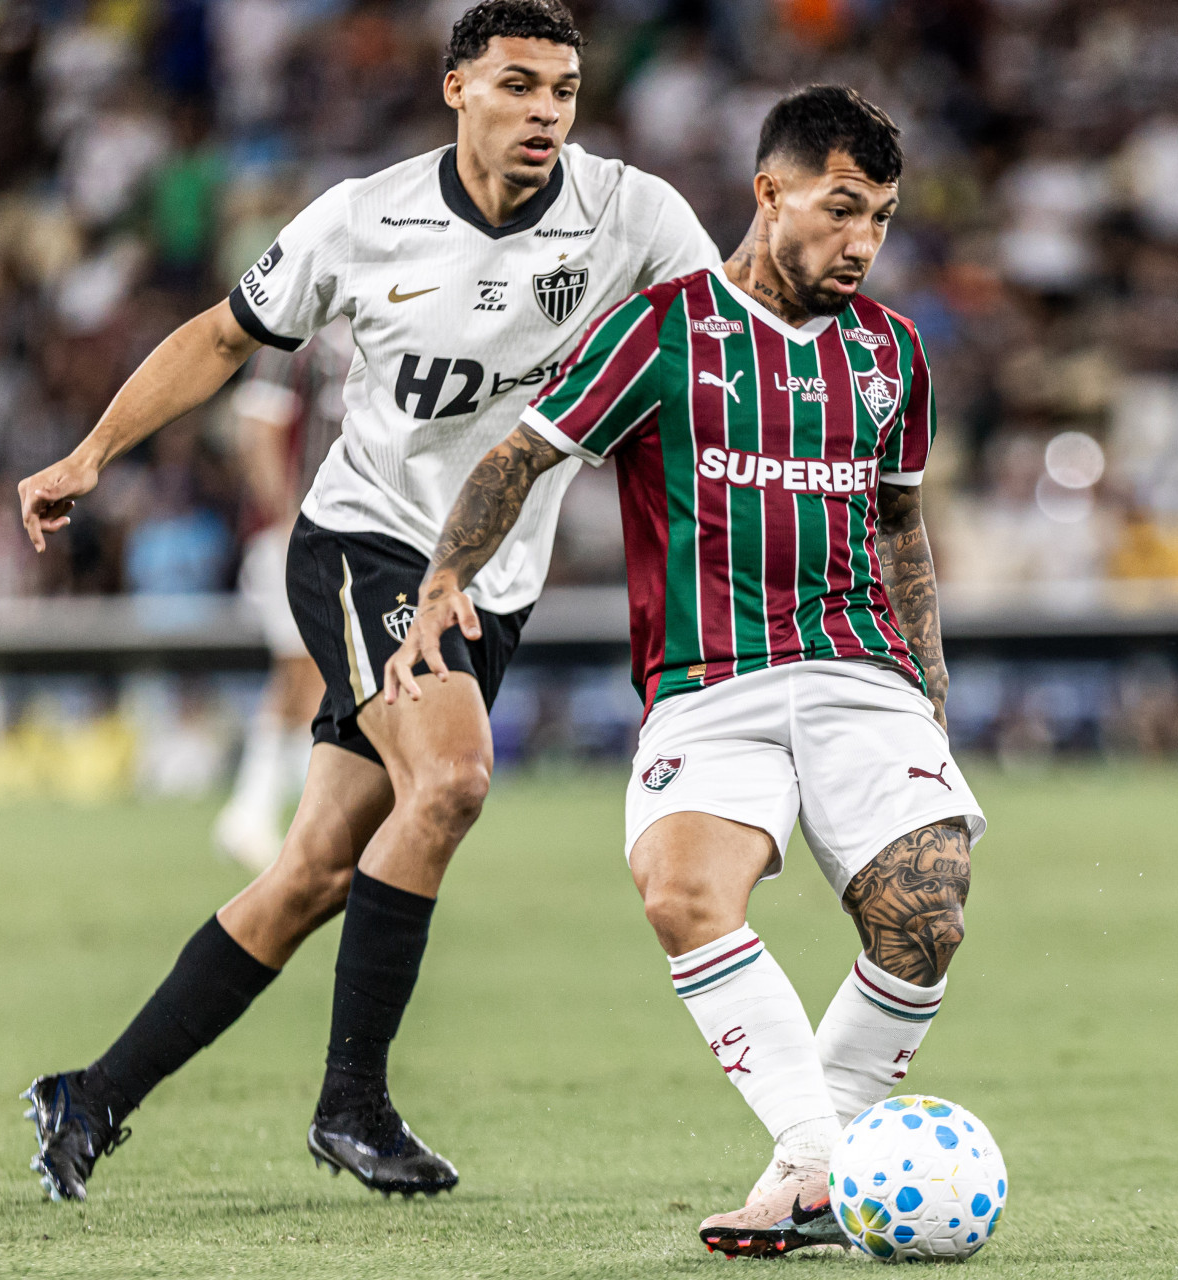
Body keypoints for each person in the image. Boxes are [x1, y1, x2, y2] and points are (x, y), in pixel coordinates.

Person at [13, 0, 719, 1202]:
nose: (545, 110)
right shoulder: (362, 218)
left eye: (562, 87)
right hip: (365, 544)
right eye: (516, 84)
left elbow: (729, 337)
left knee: (313, 874)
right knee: (450, 779)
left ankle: (92, 1093)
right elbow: (224, 337)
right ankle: (354, 1103)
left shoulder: (633, 213)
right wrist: (91, 453)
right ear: (456, 89)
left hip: (494, 581)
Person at [386, 85, 986, 1257]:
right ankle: (823, 1165)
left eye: (884, 218)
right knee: (681, 895)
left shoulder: (893, 354)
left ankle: (805, 1174)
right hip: (710, 682)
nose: (865, 242)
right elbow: (522, 455)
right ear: (771, 194)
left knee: (928, 910)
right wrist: (444, 578)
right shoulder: (662, 330)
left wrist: (933, 680)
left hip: (862, 670)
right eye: (843, 208)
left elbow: (901, 523)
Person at [210, 323, 346, 873]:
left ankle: (265, 812)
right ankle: (255, 812)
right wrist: (287, 518)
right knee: (302, 670)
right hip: (293, 535)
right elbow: (257, 431)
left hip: (344, 535)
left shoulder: (369, 330)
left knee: (313, 676)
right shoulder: (297, 340)